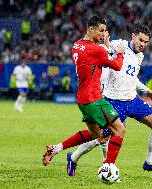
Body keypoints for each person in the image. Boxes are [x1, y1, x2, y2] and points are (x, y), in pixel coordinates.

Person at [43, 24, 152, 176]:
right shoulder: (118, 45)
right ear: (133, 37)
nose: (142, 44)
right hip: (114, 101)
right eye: (140, 40)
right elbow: (102, 52)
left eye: (146, 42)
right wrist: (107, 45)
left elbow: (131, 77)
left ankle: (150, 162)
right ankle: (75, 157)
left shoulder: (140, 56)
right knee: (100, 138)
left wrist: (146, 90)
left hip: (133, 100)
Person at [43, 16, 127, 174]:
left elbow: (95, 58)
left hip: (82, 99)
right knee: (120, 130)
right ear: (91, 29)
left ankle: (56, 148)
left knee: (99, 136)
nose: (103, 34)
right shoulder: (97, 49)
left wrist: (106, 47)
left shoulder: (77, 45)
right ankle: (108, 166)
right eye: (101, 31)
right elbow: (116, 65)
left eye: (104, 31)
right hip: (94, 98)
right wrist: (120, 53)